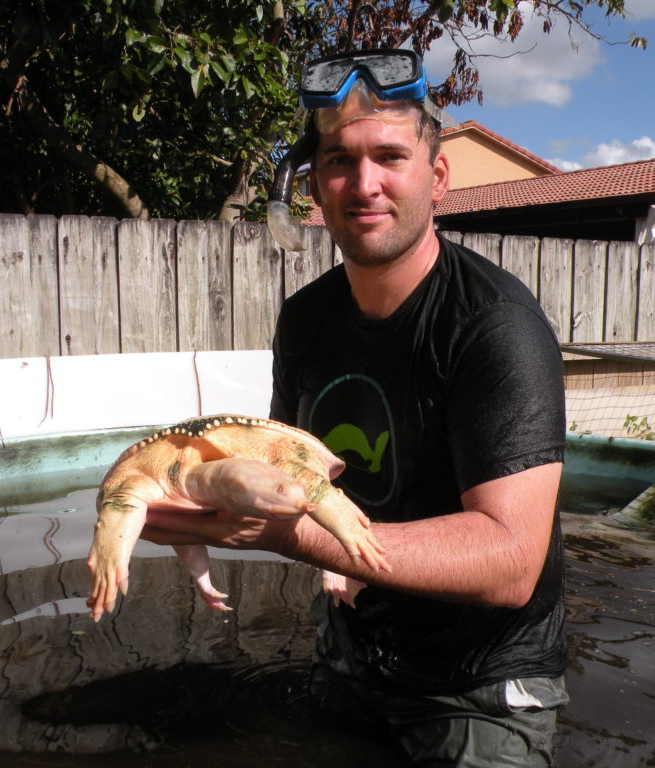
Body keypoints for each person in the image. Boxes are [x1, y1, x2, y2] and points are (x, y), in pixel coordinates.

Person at [143, 49, 568, 767]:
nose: (363, 184)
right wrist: (184, 483)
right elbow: (292, 467)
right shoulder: (306, 320)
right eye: (339, 160)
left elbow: (512, 560)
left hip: (481, 682)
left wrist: (290, 538)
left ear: (436, 177)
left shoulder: (495, 326)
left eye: (389, 156)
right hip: (353, 644)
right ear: (313, 183)